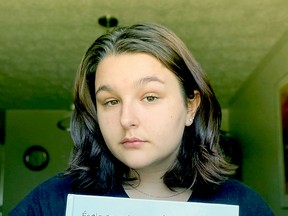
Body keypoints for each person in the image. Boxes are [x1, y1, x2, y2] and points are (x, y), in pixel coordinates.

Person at [9, 23, 274, 216]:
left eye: (149, 97)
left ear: (190, 106)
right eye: (111, 102)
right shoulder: (52, 202)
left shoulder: (245, 207)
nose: (126, 119)